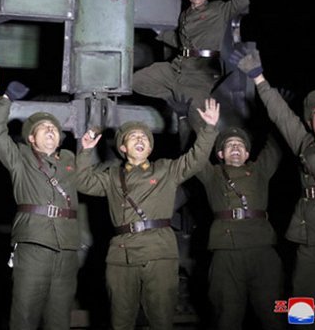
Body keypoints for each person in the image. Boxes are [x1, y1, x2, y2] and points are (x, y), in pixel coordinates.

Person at [230, 18, 315, 326]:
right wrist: (258, 77)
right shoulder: (304, 143)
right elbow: (282, 115)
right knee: (303, 315)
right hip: (307, 243)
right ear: (310, 123)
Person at [76, 98, 220, 330]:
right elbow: (82, 182)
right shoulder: (112, 176)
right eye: (133, 137)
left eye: (144, 137)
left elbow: (195, 159)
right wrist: (85, 151)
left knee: (160, 319)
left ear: (150, 148)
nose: (140, 139)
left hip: (159, 251)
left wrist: (209, 129)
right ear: (123, 148)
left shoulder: (165, 169)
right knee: (121, 320)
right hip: (122, 254)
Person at [0, 86, 82, 330]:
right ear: (31, 138)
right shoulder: (20, 158)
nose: (50, 130)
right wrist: (5, 99)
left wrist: (90, 149)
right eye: (43, 127)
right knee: (25, 316)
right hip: (33, 245)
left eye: (54, 128)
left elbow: (92, 177)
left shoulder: (70, 161)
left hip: (67, 248)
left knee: (60, 318)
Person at [132, 0, 249, 132]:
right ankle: (175, 95)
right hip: (178, 67)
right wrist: (161, 34)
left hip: (201, 73)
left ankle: (185, 102)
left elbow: (241, 2)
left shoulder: (218, 9)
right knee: (137, 82)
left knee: (199, 124)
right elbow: (182, 42)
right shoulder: (185, 16)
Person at [196, 126, 286, 330]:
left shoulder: (259, 170)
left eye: (240, 145)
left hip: (262, 249)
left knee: (273, 314)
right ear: (221, 154)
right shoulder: (211, 174)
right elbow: (195, 153)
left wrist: (273, 118)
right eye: (230, 145)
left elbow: (275, 146)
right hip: (226, 251)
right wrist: (186, 120)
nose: (235, 147)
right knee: (226, 316)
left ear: (247, 154)